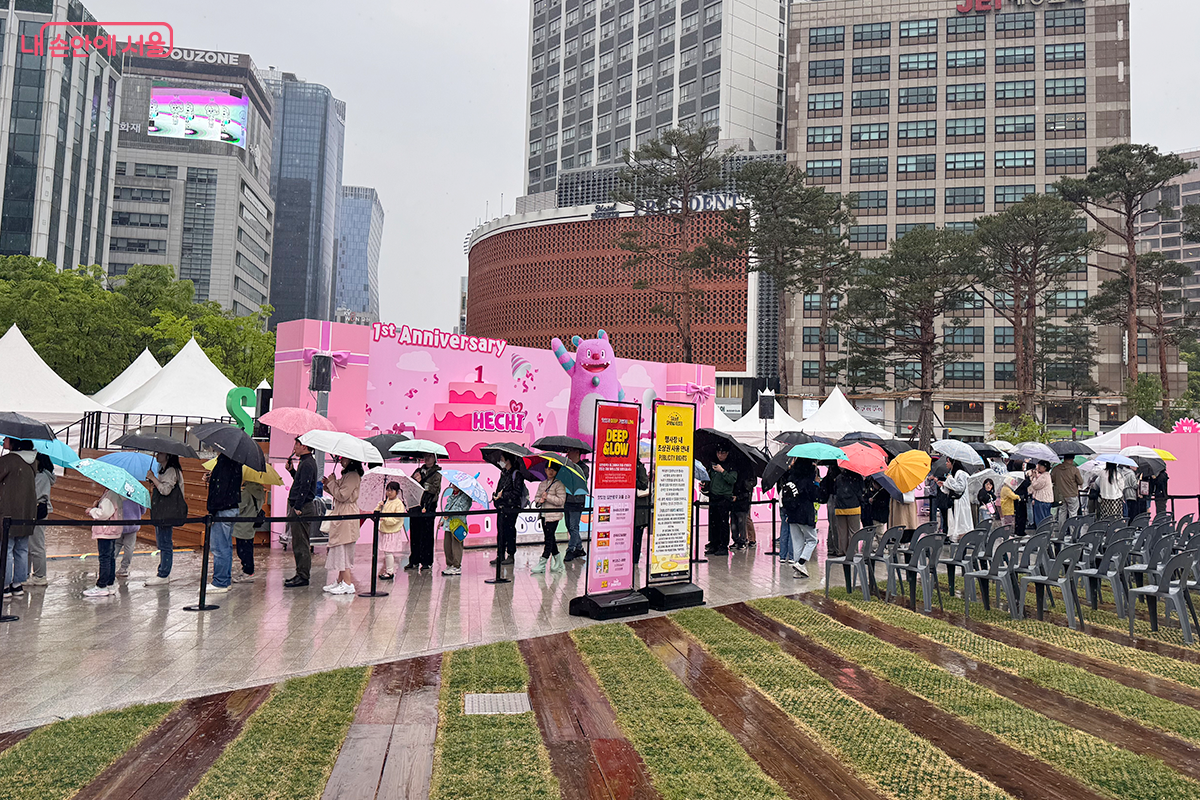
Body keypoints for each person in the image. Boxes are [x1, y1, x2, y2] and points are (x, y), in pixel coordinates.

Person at [0, 439, 37, 596]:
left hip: (8, 512)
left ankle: (5, 584)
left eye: (6, 438)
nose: (4, 440)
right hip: (27, 512)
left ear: (15, 441)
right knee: (21, 549)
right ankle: (18, 584)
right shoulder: (33, 461)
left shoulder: (9, 460)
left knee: (6, 549)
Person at [322, 458, 362, 595]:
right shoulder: (347, 475)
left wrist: (332, 482)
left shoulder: (353, 476)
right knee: (341, 547)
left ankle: (348, 583)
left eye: (343, 458)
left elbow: (342, 495)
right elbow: (337, 491)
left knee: (343, 547)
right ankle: (340, 580)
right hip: (342, 511)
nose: (340, 460)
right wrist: (328, 484)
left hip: (347, 514)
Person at [284, 439, 319, 588]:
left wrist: (298, 506)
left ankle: (303, 575)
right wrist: (292, 471)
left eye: (296, 445)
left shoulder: (308, 463)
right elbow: (300, 482)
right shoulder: (305, 462)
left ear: (304, 446)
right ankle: (300, 573)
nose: (294, 448)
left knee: (301, 543)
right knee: (298, 542)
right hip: (300, 506)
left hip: (302, 508)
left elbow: (305, 486)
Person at [145, 453, 185, 586]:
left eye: (160, 453)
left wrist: (153, 478)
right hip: (163, 511)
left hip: (167, 512)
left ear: (168, 455)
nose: (157, 455)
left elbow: (166, 490)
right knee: (162, 541)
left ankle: (164, 573)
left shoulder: (172, 470)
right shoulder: (164, 470)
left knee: (165, 542)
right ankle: (162, 571)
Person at [205, 453, 242, 594]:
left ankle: (220, 581)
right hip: (231, 507)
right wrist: (213, 479)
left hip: (223, 509)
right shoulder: (236, 461)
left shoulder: (224, 462)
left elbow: (221, 490)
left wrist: (212, 510)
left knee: (219, 547)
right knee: (225, 546)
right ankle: (224, 579)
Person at [779, 459, 820, 578]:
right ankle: (801, 563)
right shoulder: (808, 481)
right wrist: (816, 484)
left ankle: (798, 571)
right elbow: (815, 496)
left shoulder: (791, 478)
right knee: (812, 540)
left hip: (792, 513)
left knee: (797, 542)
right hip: (804, 514)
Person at [84, 488, 124, 597]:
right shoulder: (113, 494)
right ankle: (110, 583)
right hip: (111, 530)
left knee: (104, 558)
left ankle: (101, 586)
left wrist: (92, 511)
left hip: (105, 531)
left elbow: (104, 513)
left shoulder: (110, 496)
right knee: (110, 557)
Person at [408, 454, 442, 571]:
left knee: (426, 534)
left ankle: (426, 561)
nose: (427, 459)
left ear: (435, 459)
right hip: (416, 505)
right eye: (425, 456)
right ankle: (414, 560)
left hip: (428, 506)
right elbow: (410, 485)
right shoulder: (418, 470)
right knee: (415, 533)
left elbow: (434, 489)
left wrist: (422, 482)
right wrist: (414, 480)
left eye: (430, 456)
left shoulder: (437, 474)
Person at [821, 464, 863, 556]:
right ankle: (852, 552)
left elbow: (835, 490)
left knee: (842, 532)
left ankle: (842, 551)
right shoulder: (857, 477)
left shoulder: (839, 478)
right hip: (853, 507)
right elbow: (860, 492)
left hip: (840, 508)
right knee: (853, 532)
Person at [532, 462, 566, 574]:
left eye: (553, 469)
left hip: (554, 516)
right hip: (543, 515)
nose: (550, 472)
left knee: (548, 539)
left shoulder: (559, 484)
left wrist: (548, 497)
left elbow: (561, 501)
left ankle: (542, 563)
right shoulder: (542, 484)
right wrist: (540, 500)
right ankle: (559, 561)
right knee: (550, 538)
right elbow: (537, 498)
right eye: (548, 469)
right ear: (545, 470)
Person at [27, 453, 55, 586]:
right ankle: (26, 574)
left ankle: (40, 576)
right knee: (29, 545)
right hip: (37, 511)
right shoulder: (42, 475)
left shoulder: (41, 476)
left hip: (37, 512)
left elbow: (33, 494)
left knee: (36, 545)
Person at [491, 455, 523, 567]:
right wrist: (496, 497)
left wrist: (503, 495)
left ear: (508, 460)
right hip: (502, 508)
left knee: (510, 530)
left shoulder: (516, 474)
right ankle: (500, 555)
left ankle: (511, 554)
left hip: (511, 508)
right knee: (500, 531)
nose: (500, 461)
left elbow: (517, 492)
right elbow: (499, 489)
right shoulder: (503, 473)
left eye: (502, 459)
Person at [705, 445, 737, 556]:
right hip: (713, 496)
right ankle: (713, 544)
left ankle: (723, 546)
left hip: (724, 497)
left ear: (727, 453)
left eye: (722, 453)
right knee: (713, 522)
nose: (720, 455)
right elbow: (709, 478)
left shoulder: (731, 465)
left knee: (723, 523)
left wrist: (722, 471)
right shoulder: (713, 464)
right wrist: (705, 484)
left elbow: (732, 480)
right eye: (718, 452)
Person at [232, 478, 265, 583]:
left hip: (243, 524)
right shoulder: (260, 491)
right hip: (252, 523)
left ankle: (248, 571)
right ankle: (248, 570)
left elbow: (239, 508)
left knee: (243, 550)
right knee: (248, 548)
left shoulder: (247, 492)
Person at [561, 448, 589, 562]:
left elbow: (579, 480)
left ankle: (571, 549)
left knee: (573, 526)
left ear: (577, 452)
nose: (568, 454)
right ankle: (579, 548)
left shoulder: (583, 468)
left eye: (570, 452)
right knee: (569, 526)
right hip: (567, 500)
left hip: (577, 501)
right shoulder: (567, 467)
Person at [376, 482, 407, 579]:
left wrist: (385, 519)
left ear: (397, 492)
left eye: (391, 490)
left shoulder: (399, 504)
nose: (389, 492)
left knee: (388, 552)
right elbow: (376, 512)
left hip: (392, 531)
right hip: (384, 530)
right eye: (387, 490)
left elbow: (397, 519)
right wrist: (379, 507)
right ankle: (388, 570)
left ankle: (390, 572)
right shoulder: (386, 502)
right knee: (386, 552)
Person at [442, 483, 472, 576]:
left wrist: (449, 513)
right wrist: (443, 519)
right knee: (447, 545)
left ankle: (456, 566)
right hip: (448, 524)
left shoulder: (466, 496)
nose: (453, 486)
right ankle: (449, 564)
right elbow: (447, 507)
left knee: (456, 545)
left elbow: (462, 509)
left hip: (458, 524)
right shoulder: (452, 495)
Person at [939, 458, 972, 543]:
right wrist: (944, 484)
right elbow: (952, 488)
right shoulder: (953, 473)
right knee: (955, 524)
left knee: (962, 525)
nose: (946, 463)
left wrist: (950, 479)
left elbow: (960, 488)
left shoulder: (961, 474)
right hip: (954, 503)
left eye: (948, 462)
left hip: (961, 504)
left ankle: (962, 543)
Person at [1051, 458, 1084, 522]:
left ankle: (1062, 527)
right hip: (1072, 494)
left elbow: (1052, 480)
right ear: (1072, 459)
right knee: (1073, 512)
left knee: (1062, 512)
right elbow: (1080, 481)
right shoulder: (1074, 469)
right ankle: (1072, 527)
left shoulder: (1056, 469)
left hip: (1060, 495)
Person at [633, 460, 651, 567]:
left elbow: (644, 484)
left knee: (637, 535)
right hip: (632, 507)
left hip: (640, 509)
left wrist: (632, 480)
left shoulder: (639, 467)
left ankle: (635, 558)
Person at [731, 470, 755, 550]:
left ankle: (750, 539)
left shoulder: (748, 470)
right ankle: (738, 540)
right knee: (735, 520)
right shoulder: (734, 467)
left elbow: (751, 484)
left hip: (743, 499)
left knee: (744, 519)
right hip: (736, 497)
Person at [1028, 461, 1053, 527]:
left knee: (1041, 518)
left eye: (1040, 466)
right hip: (1045, 500)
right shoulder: (1046, 475)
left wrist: (1033, 478)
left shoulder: (1044, 477)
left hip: (1042, 500)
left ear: (1045, 467)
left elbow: (1035, 486)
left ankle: (1042, 530)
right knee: (1045, 517)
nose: (1038, 467)